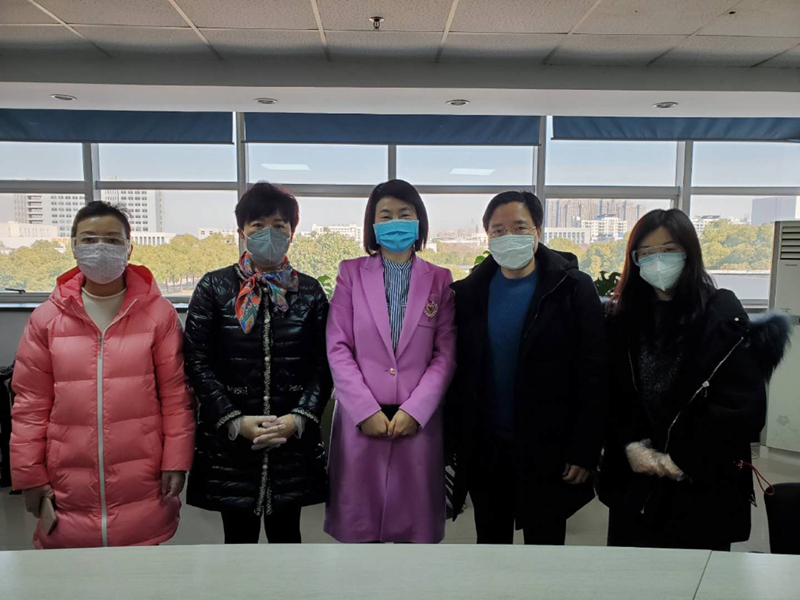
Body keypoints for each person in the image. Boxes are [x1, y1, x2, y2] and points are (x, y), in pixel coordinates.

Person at [601, 209, 791, 551]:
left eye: (669, 250)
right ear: (634, 259)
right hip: (635, 485)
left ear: (689, 253)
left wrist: (681, 460)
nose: (658, 260)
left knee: (698, 573)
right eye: (646, 253)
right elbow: (612, 394)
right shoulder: (621, 319)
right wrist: (629, 445)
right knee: (631, 572)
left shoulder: (722, 315)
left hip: (704, 487)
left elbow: (743, 409)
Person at [10, 201, 194, 549]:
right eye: (89, 239)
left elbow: (176, 396)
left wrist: (176, 460)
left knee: (140, 571)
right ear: (73, 246)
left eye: (111, 240)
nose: (100, 248)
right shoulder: (46, 319)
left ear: (129, 247)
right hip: (67, 481)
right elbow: (29, 405)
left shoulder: (159, 315)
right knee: (77, 574)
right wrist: (29, 473)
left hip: (142, 476)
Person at [446, 191, 608, 545]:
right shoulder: (470, 293)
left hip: (548, 448)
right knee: (491, 547)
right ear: (487, 236)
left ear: (538, 231)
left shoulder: (572, 288)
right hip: (488, 448)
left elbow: (594, 374)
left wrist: (584, 449)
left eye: (519, 228)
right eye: (498, 230)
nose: (509, 237)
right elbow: (459, 374)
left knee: (544, 551)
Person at [184, 182, 332, 544]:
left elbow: (325, 363)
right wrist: (234, 421)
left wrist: (297, 419)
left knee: (288, 540)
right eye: (258, 225)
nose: (269, 233)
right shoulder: (214, 287)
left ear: (292, 233)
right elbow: (196, 360)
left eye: (279, 226)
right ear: (242, 233)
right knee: (237, 543)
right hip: (232, 443)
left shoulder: (310, 292)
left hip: (291, 441)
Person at [325, 179, 456, 543]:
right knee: (359, 535)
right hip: (361, 422)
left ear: (419, 221)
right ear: (372, 224)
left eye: (404, 213)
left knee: (414, 538)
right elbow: (338, 346)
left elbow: (445, 355)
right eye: (386, 215)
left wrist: (416, 410)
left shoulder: (440, 280)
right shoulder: (351, 273)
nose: (395, 222)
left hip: (416, 423)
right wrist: (363, 409)